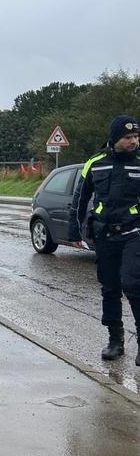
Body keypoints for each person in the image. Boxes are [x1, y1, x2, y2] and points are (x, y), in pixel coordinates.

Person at [69, 115, 140, 365]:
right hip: (105, 234)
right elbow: (80, 198)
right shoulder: (95, 163)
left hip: (134, 233)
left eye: (135, 136)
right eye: (128, 137)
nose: (134, 141)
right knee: (110, 289)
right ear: (115, 139)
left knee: (134, 284)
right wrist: (74, 232)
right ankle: (115, 340)